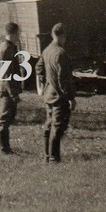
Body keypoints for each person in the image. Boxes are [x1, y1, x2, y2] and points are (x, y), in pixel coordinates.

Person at [37, 22, 75, 163]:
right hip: (59, 96)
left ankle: (47, 155)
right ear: (63, 36)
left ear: (53, 34)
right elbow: (63, 79)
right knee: (58, 127)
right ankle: (54, 158)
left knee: (49, 124)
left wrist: (43, 83)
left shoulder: (47, 50)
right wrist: (70, 97)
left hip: (49, 94)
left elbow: (39, 67)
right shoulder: (61, 53)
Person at [0, 22, 23, 154]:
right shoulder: (6, 49)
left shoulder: (7, 46)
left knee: (6, 118)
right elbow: (6, 74)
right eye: (18, 33)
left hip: (6, 88)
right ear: (14, 33)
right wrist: (13, 94)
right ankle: (3, 148)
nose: (19, 36)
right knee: (4, 119)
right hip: (7, 89)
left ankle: (1, 146)